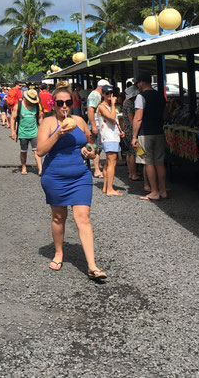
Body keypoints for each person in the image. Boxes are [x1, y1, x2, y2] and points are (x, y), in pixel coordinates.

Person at [36, 86, 107, 280]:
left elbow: (90, 142)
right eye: (60, 103)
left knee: (83, 217)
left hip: (80, 176)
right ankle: (59, 252)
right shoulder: (48, 123)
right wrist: (58, 134)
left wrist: (91, 151)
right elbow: (40, 150)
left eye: (68, 102)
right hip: (55, 177)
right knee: (59, 217)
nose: (65, 106)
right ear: (54, 105)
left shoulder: (79, 121)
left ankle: (92, 265)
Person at [132, 72, 168, 201]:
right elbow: (165, 115)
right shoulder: (160, 96)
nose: (137, 85)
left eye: (137, 83)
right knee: (159, 162)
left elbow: (138, 118)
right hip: (159, 132)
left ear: (141, 82)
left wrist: (134, 136)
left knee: (147, 162)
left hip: (144, 134)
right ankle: (163, 190)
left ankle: (154, 192)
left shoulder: (140, 97)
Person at [97, 85, 125, 196]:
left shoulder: (108, 106)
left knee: (108, 162)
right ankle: (110, 189)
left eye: (111, 93)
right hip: (109, 137)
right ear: (103, 94)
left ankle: (105, 187)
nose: (110, 95)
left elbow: (114, 121)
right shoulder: (102, 106)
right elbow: (112, 117)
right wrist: (113, 104)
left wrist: (120, 130)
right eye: (107, 93)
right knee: (112, 163)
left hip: (112, 136)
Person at [11, 88, 43, 175]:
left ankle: (40, 169)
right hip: (22, 132)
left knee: (37, 151)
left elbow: (40, 117)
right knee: (23, 151)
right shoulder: (19, 105)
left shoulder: (36, 106)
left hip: (34, 132)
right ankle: (24, 166)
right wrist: (13, 131)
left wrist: (43, 129)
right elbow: (13, 118)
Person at [87, 79, 110, 179]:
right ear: (102, 87)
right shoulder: (96, 95)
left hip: (96, 124)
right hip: (96, 124)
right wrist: (94, 126)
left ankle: (96, 169)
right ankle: (97, 170)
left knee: (97, 147)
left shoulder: (94, 94)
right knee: (97, 148)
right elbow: (91, 110)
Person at [122, 85, 140, 181]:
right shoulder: (130, 104)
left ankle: (130, 172)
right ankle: (134, 173)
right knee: (132, 153)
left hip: (126, 129)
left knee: (129, 153)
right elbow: (131, 118)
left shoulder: (126, 103)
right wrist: (136, 130)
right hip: (130, 130)